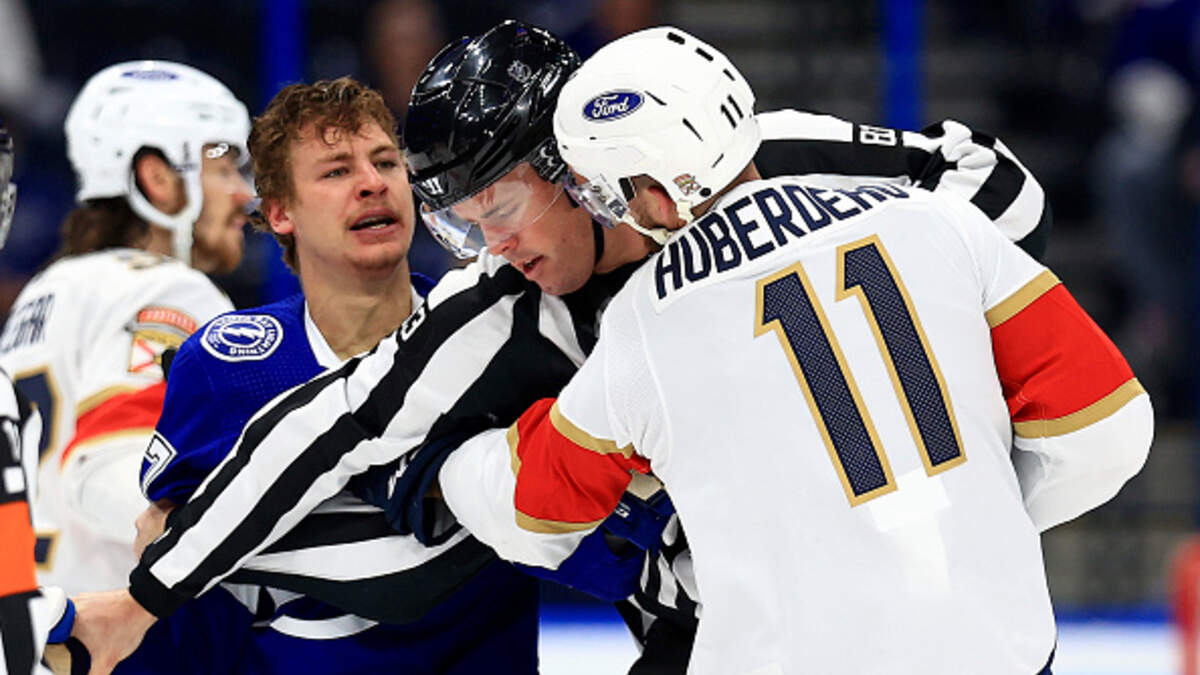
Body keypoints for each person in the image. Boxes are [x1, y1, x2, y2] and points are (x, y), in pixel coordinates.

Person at [71, 20, 1054, 674]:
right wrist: (149, 595)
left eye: (497, 204)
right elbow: (325, 428)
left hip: (926, 593)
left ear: (569, 161)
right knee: (444, 480)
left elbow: (1001, 194)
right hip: (727, 627)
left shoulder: (750, 153)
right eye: (459, 223)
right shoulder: (501, 308)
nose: (490, 245)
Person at [459, 26, 1152, 674]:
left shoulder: (649, 316)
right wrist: (968, 511)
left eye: (599, 189)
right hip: (999, 650)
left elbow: (531, 510)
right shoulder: (936, 219)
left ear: (658, 192)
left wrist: (451, 468)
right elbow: (1108, 428)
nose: (600, 207)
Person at [0, 60, 252, 597]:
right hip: (108, 625)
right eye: (225, 168)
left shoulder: (42, 294)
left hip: (26, 620)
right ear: (158, 179)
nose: (242, 193)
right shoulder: (167, 289)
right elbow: (107, 466)